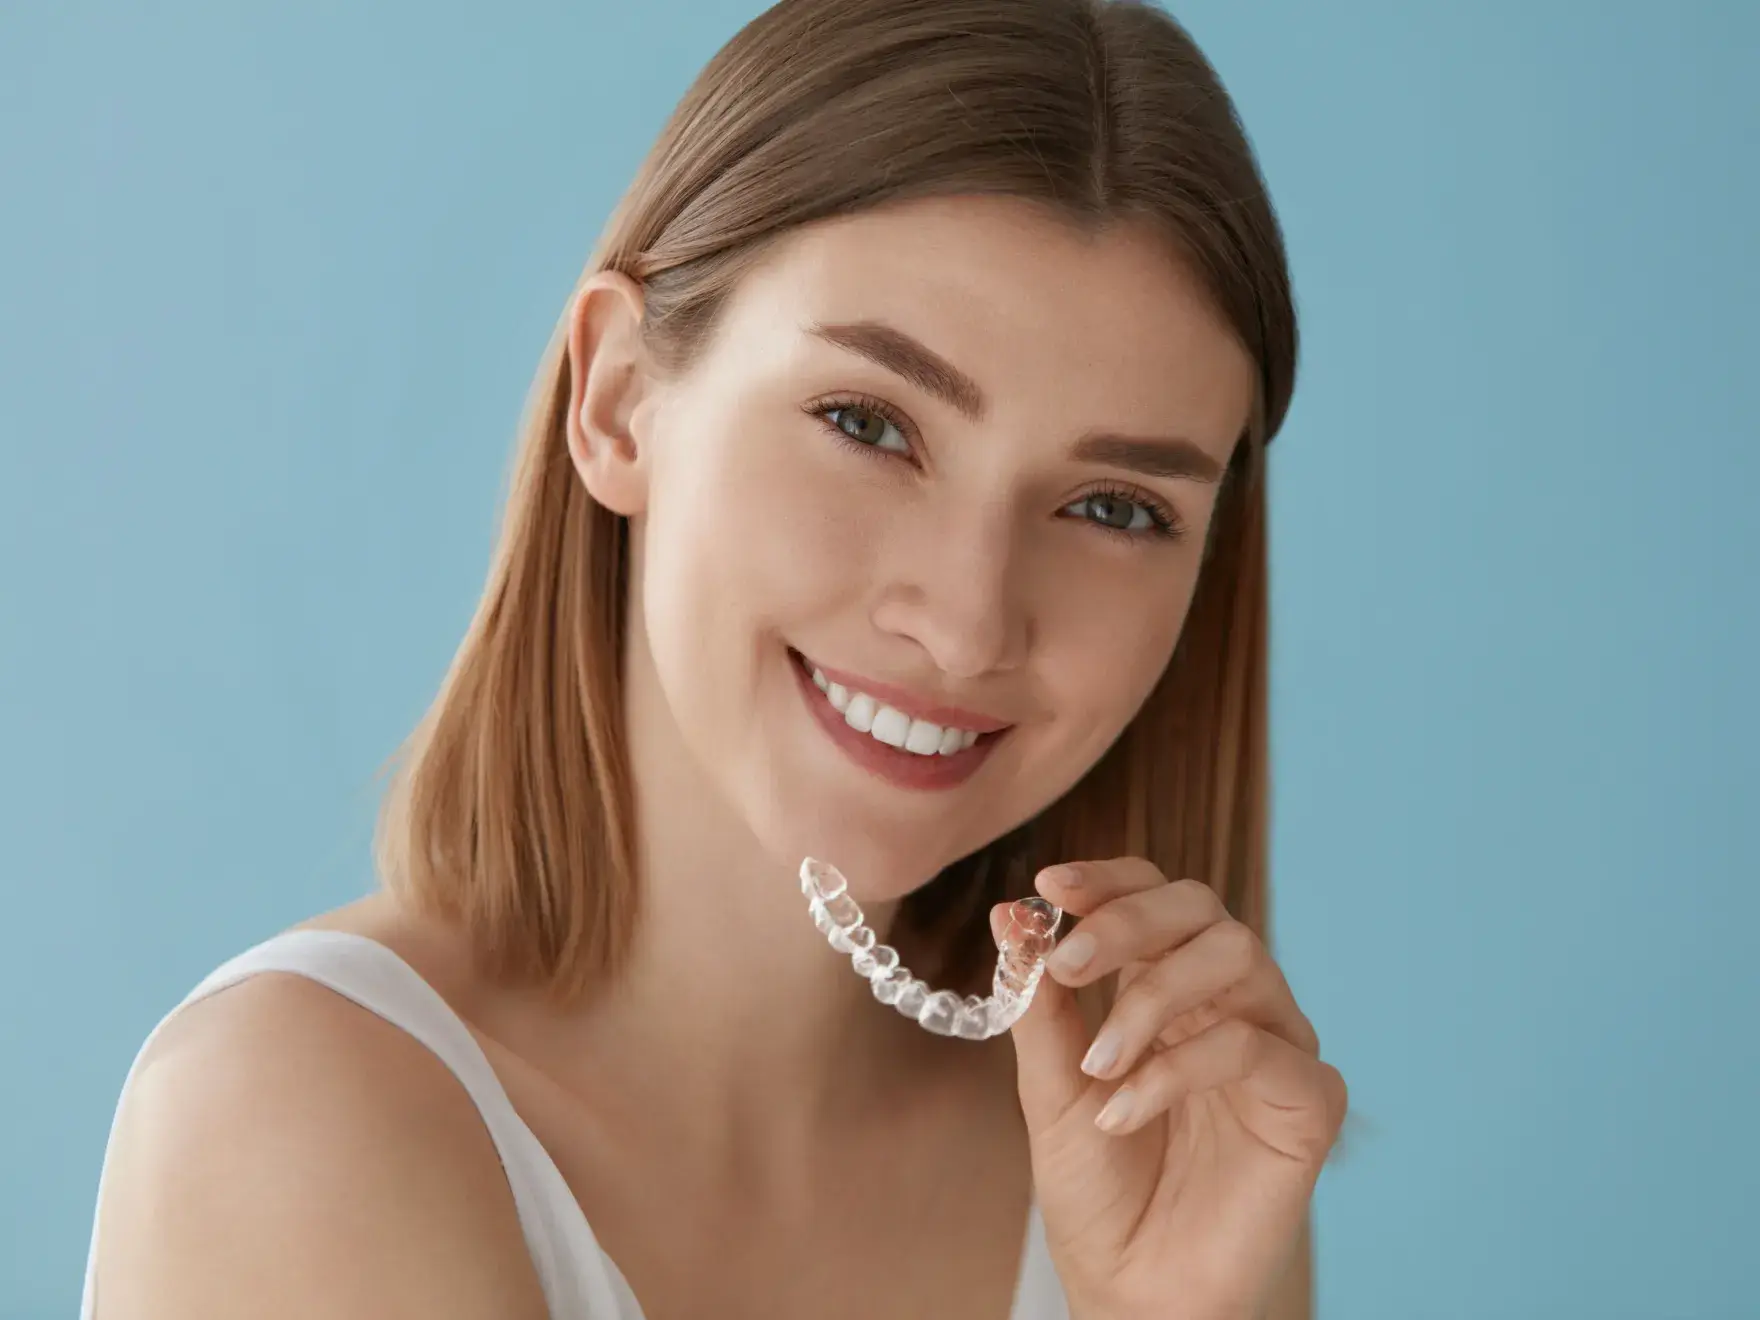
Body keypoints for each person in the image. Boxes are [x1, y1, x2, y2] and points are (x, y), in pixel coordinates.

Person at [81, 0, 1348, 1315]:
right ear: (618, 400)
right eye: (868, 424)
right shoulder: (291, 1120)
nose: (970, 623)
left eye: (1115, 509)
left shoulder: (1158, 1159)